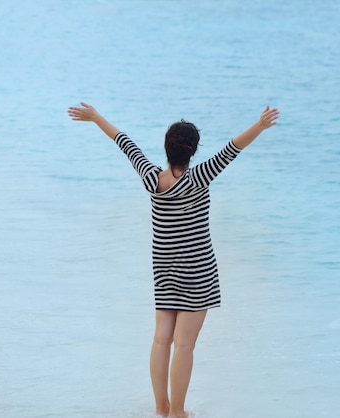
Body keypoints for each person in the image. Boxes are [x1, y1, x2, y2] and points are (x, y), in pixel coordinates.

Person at [67, 102, 279, 418]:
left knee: (160, 340)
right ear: (193, 152)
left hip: (165, 270)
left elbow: (125, 144)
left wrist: (96, 117)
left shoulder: (152, 179)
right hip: (197, 271)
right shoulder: (200, 177)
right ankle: (177, 412)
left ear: (166, 149)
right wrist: (260, 126)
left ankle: (160, 407)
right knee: (184, 346)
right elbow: (232, 148)